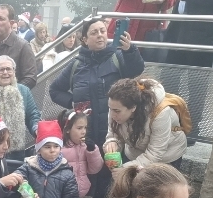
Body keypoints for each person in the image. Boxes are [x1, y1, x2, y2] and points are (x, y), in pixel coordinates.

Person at [48, 19, 145, 151]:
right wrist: (73, 103)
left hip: (115, 132)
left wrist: (130, 50)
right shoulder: (76, 64)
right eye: (94, 32)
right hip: (86, 134)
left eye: (102, 31)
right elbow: (54, 90)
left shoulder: (117, 57)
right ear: (85, 39)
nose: (100, 35)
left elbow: (137, 70)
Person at [104, 77, 189, 169]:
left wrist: (125, 169)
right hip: (134, 153)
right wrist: (112, 142)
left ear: (133, 107)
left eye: (116, 111)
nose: (112, 115)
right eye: (110, 109)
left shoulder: (160, 113)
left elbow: (155, 152)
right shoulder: (116, 107)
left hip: (165, 159)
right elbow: (114, 133)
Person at [13, 122, 79, 198]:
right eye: (47, 147)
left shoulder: (67, 173)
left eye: (56, 146)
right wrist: (23, 184)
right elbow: (16, 176)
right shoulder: (29, 166)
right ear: (38, 149)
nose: (52, 150)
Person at [61, 110, 104, 198]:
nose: (83, 131)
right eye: (79, 128)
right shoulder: (60, 148)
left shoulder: (85, 146)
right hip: (64, 194)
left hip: (82, 193)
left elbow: (95, 169)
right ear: (68, 129)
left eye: (85, 128)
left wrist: (92, 150)